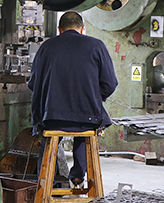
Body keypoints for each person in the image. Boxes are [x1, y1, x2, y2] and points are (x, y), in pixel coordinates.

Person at [28, 11, 118, 186]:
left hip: (52, 117)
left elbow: (33, 83)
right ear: (82, 29)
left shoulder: (47, 47)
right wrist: (91, 96)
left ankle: (48, 184)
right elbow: (109, 84)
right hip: (88, 117)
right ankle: (77, 177)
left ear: (59, 30)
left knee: (48, 143)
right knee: (84, 135)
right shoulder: (97, 46)